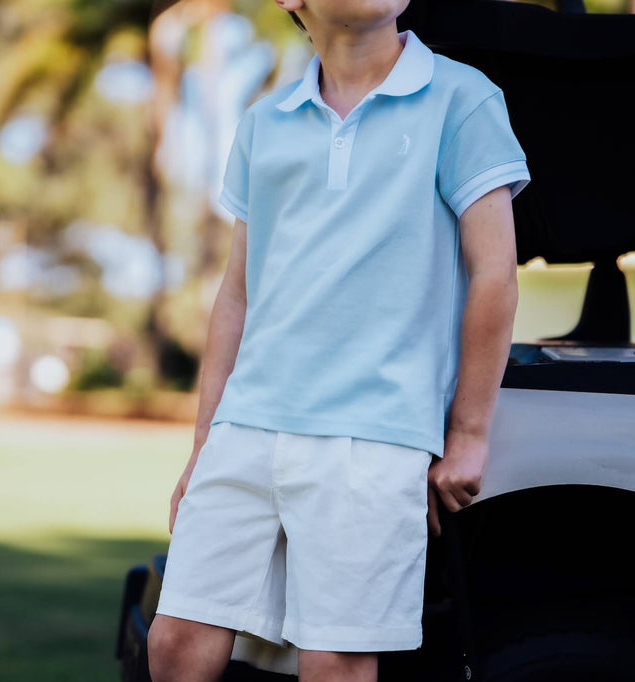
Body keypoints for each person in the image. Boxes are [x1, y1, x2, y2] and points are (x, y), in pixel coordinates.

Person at [147, 1, 530, 680]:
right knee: (174, 642)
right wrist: (204, 445)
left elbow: (495, 273)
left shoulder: (462, 99)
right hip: (250, 422)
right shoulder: (265, 121)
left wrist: (469, 432)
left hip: (376, 432)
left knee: (335, 662)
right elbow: (236, 294)